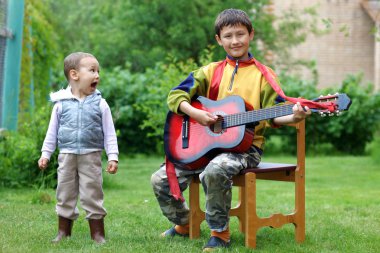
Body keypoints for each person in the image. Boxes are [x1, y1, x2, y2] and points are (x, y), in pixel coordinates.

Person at [151, 8, 311, 252]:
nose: (235, 41)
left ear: (251, 35)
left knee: (214, 171)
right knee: (160, 179)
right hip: (205, 146)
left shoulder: (264, 75)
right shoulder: (209, 71)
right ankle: (185, 223)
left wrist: (295, 116)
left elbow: (275, 116)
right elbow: (176, 95)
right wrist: (196, 114)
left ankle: (220, 232)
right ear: (218, 39)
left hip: (246, 149)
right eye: (228, 36)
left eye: (240, 34)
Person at [38, 52, 119, 244]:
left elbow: (110, 133)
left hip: (91, 156)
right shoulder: (60, 104)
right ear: (74, 75)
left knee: (92, 192)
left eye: (98, 71)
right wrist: (45, 154)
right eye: (92, 70)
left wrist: (113, 156)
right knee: (64, 192)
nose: (97, 75)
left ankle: (97, 233)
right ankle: (63, 232)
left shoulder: (100, 104)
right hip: (66, 155)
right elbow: (52, 132)